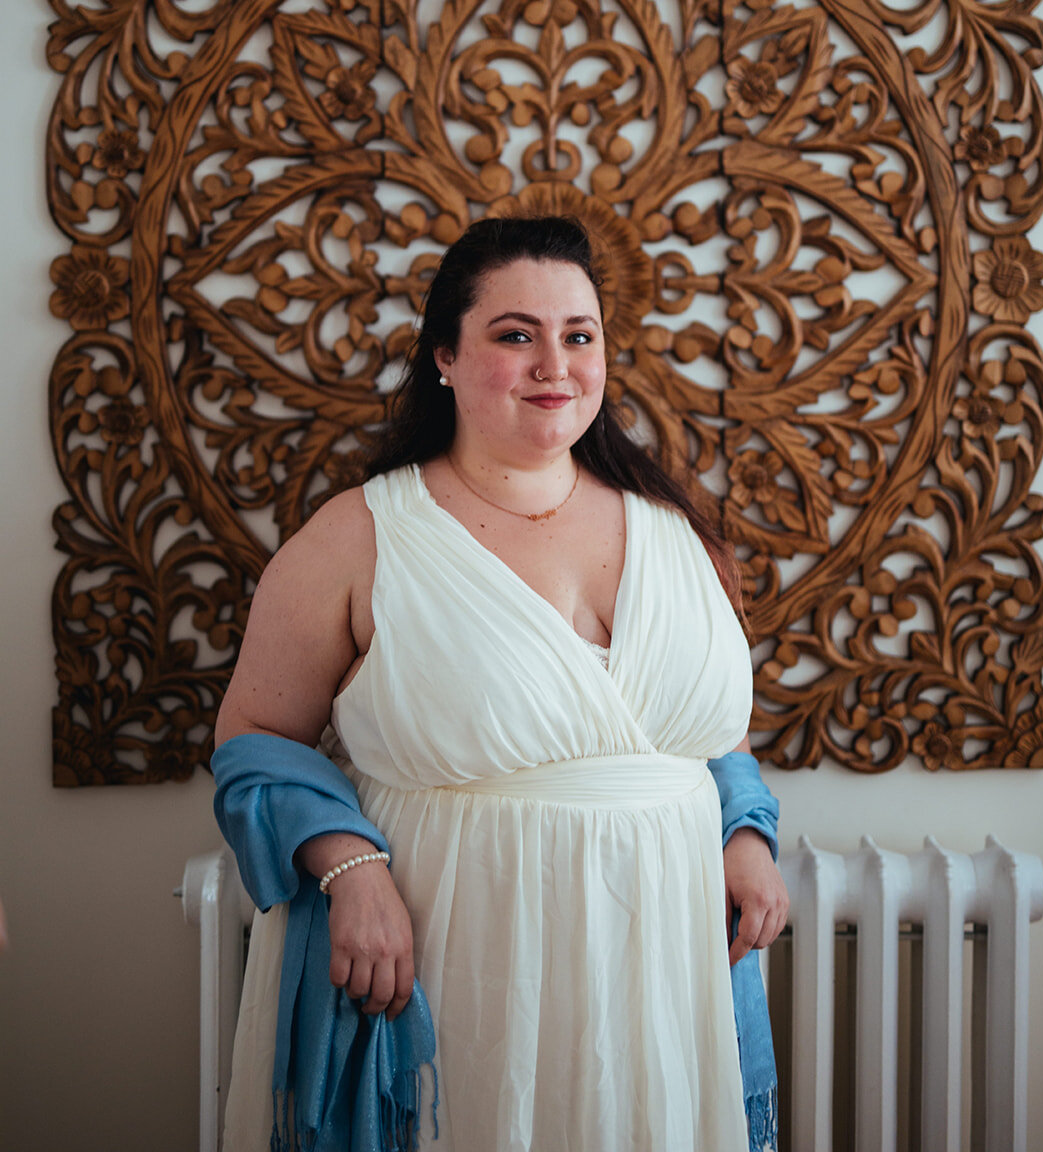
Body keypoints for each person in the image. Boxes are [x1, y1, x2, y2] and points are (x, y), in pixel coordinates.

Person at [213, 215, 788, 1152]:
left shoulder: (675, 531)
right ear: (445, 354)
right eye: (515, 335)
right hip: (458, 957)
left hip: (662, 965)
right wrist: (350, 871)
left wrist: (745, 836)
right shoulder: (360, 536)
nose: (553, 364)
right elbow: (255, 743)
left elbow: (705, 740)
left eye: (579, 335)